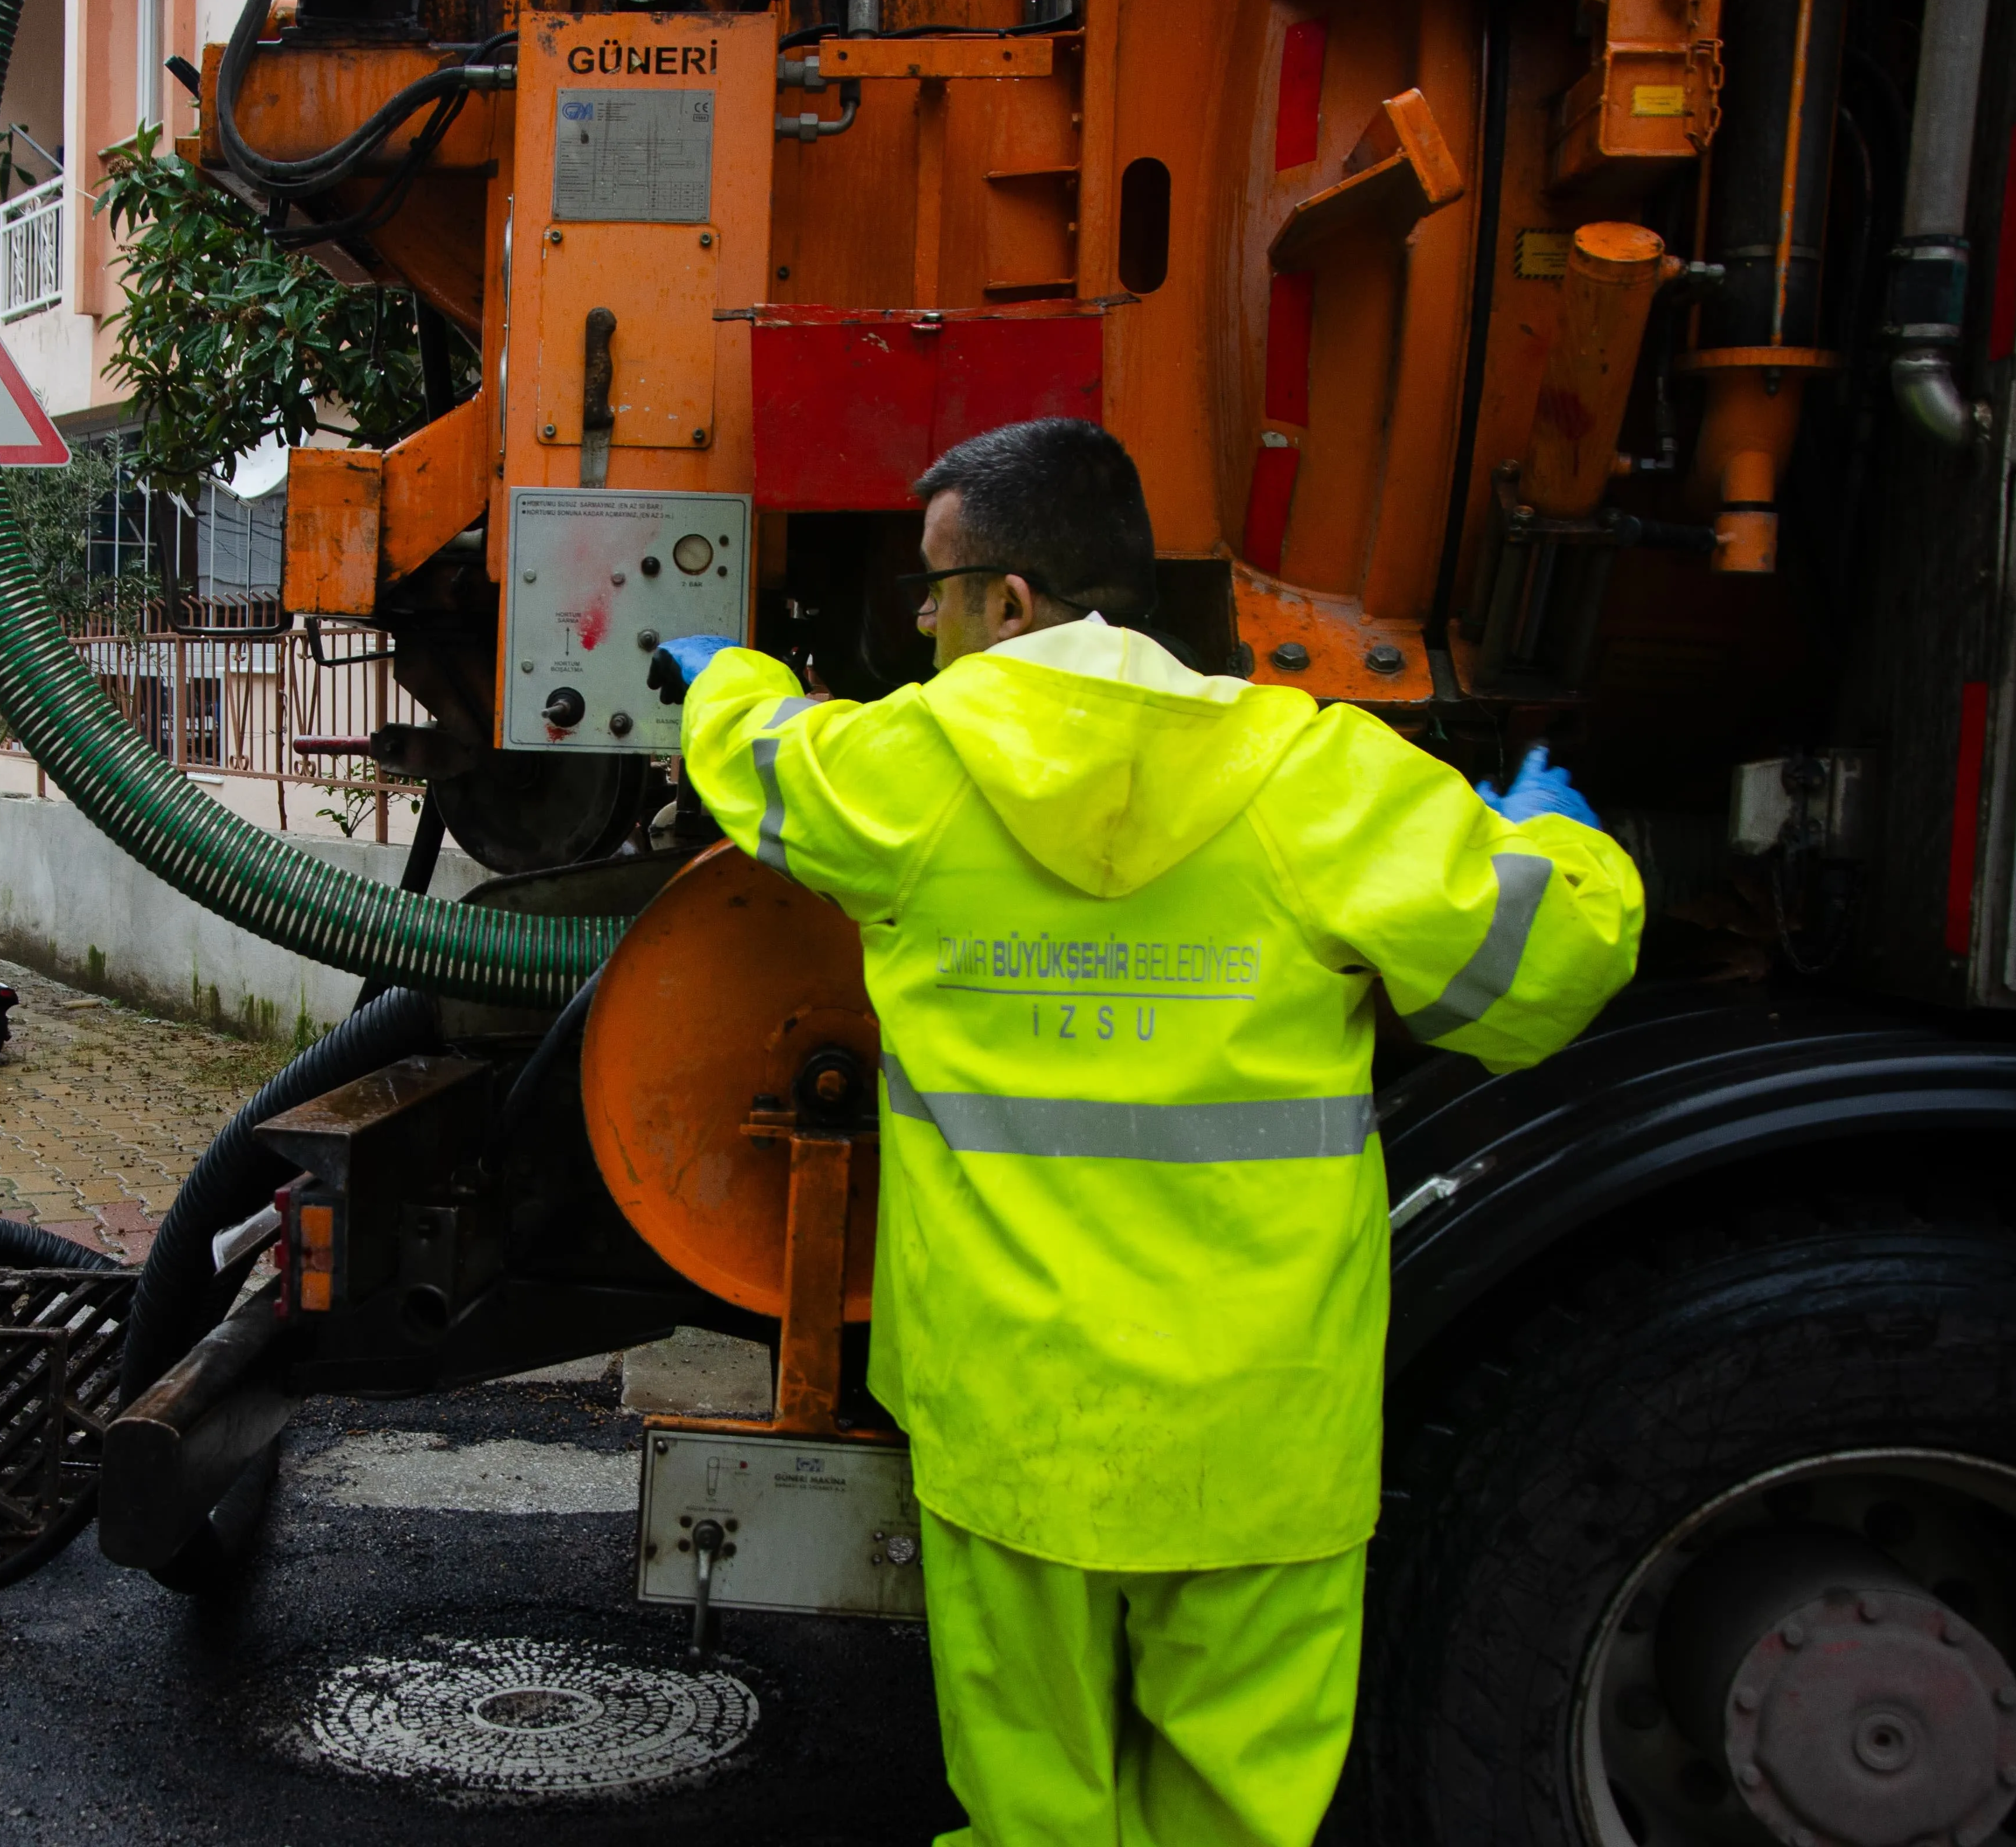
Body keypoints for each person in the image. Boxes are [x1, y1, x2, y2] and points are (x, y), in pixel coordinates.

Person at [654, 418, 1644, 1847]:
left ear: (1006, 604)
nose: (923, 625)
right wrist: (1563, 844)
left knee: (1035, 1815)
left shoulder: (904, 775)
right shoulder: (1316, 775)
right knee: (1239, 1821)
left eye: (932, 595)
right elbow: (1542, 975)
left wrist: (720, 673)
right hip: (1260, 1437)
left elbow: (758, 755)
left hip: (1015, 1424)